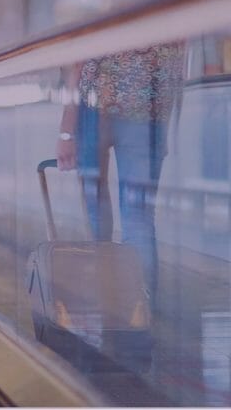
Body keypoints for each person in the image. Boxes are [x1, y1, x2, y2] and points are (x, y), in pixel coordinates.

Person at [56, 41, 184, 302]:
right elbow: (175, 69)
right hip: (148, 113)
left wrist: (66, 130)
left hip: (96, 108)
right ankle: (140, 307)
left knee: (96, 211)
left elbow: (79, 61)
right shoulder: (168, 10)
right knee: (138, 216)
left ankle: (108, 300)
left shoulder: (110, 6)